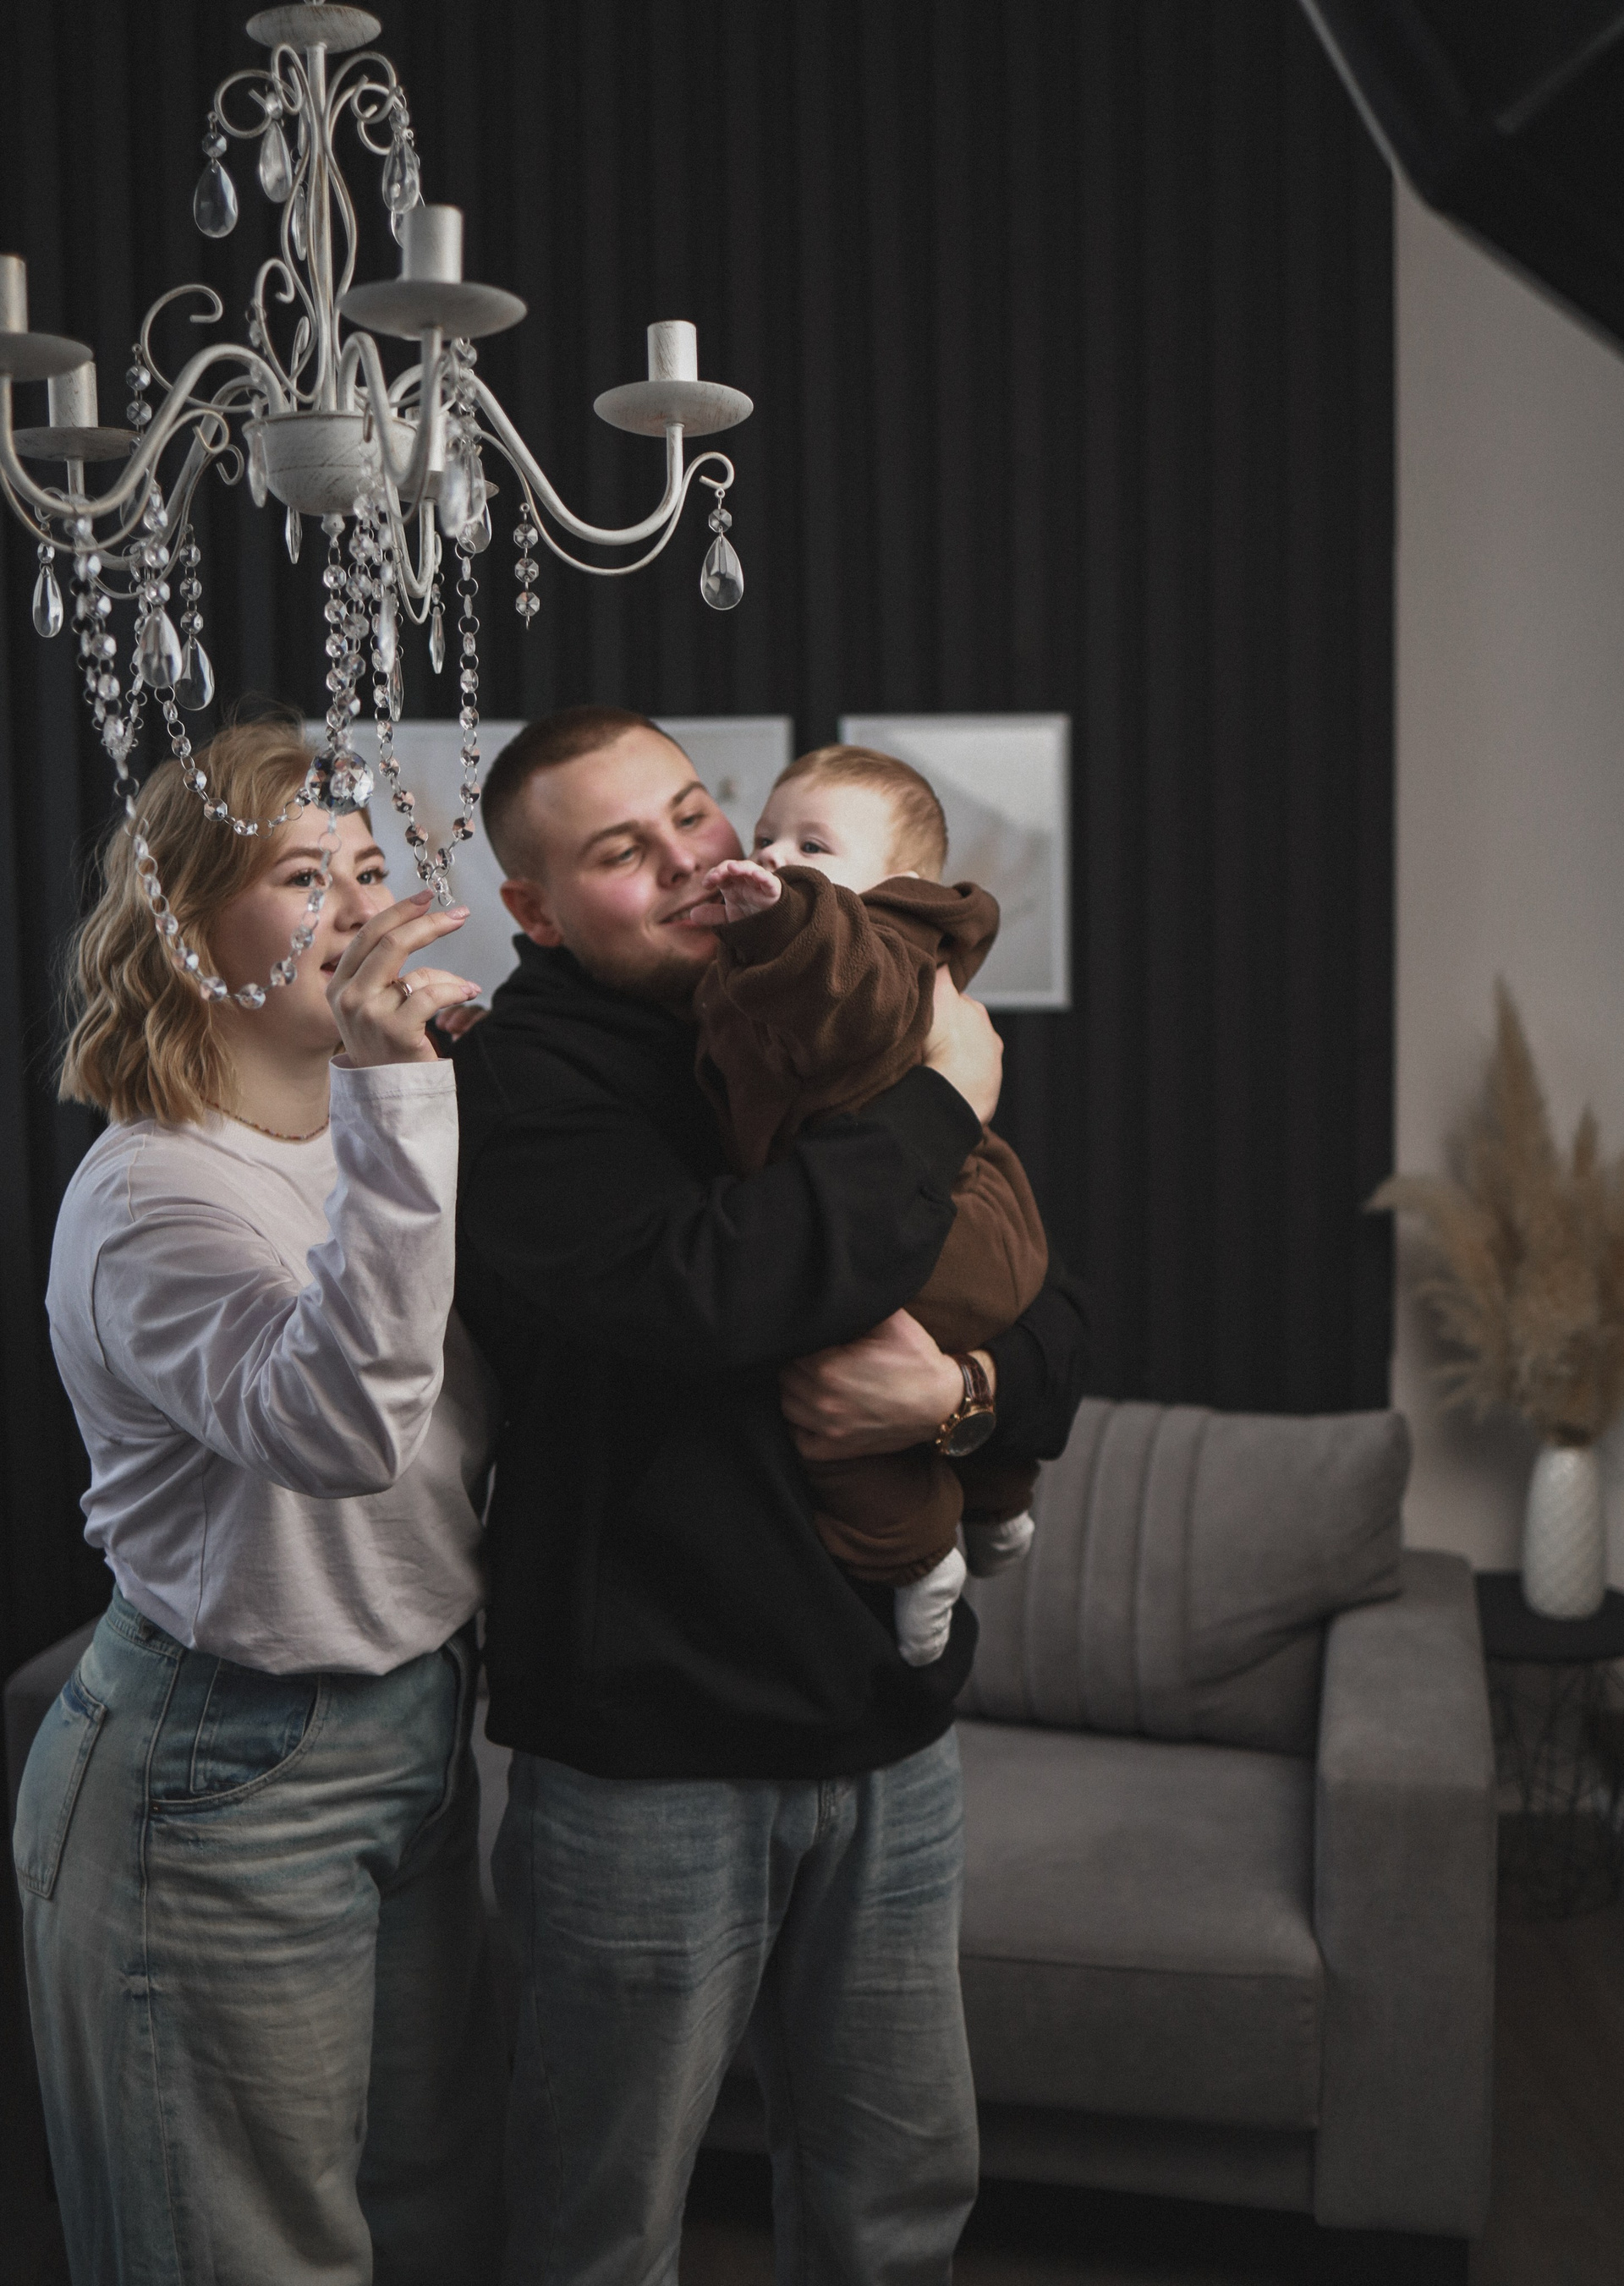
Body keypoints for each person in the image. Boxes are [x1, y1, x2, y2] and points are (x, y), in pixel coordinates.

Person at [454, 705, 1088, 2284]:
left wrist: (961, 1395)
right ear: (534, 907)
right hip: (650, 1754)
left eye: (695, 810)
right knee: (600, 2223)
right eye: (623, 850)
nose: (692, 859)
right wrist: (943, 1099)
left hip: (889, 1734)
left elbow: (1043, 1312)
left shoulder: (822, 997)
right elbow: (707, 1293)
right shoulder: (520, 1080)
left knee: (899, 2200)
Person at [15, 718, 505, 2286]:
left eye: (368, 866)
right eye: (304, 875)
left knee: (435, 2214)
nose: (360, 908)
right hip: (220, 1764)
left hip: (419, 1721)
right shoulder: (154, 1193)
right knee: (243, 2255)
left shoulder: (383, 1133)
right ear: (182, 919)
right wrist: (401, 1098)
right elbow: (345, 1429)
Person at [689, 743, 1048, 1666]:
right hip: (962, 1228)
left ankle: (914, 1554)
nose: (775, 857)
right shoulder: (771, 961)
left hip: (947, 1236)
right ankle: (999, 1495)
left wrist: (787, 924)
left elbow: (853, 1000)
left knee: (825, 1388)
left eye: (815, 846)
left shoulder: (878, 951)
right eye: (766, 836)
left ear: (903, 887)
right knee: (918, 1367)